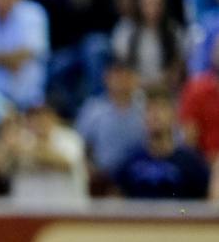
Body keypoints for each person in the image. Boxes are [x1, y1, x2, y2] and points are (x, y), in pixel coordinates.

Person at [114, 90, 211, 199]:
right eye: (149, 109)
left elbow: (206, 204)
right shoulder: (130, 161)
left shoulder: (191, 162)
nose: (155, 114)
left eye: (161, 108)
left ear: (174, 116)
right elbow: (116, 202)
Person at [75, 56, 148, 185]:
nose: (122, 81)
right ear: (106, 78)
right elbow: (80, 147)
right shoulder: (93, 110)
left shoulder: (147, 109)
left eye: (127, 76)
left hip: (140, 176)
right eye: (118, 76)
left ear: (136, 79)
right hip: (103, 177)